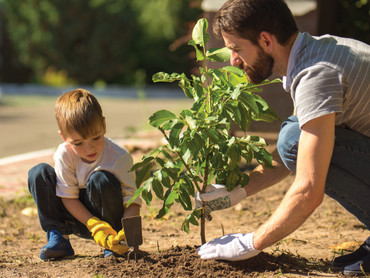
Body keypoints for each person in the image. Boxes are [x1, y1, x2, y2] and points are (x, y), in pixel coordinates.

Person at [195, 0, 370, 275]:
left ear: (265, 40)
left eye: (236, 49)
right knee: (293, 132)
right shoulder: (315, 52)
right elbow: (302, 150)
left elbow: (308, 189)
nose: (233, 61)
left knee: (292, 137)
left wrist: (251, 242)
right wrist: (239, 190)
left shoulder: (315, 75)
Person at [28, 88, 141, 260]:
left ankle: (112, 245)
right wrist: (94, 225)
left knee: (100, 179)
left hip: (109, 223)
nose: (89, 149)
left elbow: (132, 201)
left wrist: (127, 232)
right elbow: (68, 197)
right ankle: (59, 238)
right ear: (64, 137)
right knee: (38, 173)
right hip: (78, 219)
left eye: (96, 138)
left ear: (104, 125)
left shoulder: (119, 158)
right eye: (78, 143)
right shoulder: (64, 154)